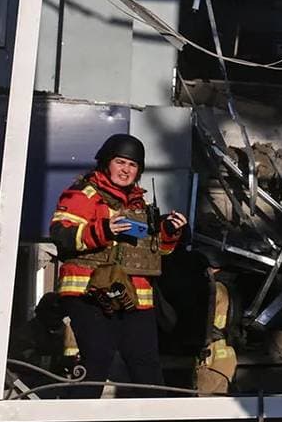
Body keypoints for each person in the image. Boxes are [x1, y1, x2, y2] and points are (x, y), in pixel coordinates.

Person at [49, 134, 186, 395]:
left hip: (136, 299)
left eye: (132, 165)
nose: (126, 170)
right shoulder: (83, 195)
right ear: (106, 162)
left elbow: (158, 253)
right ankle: (75, 418)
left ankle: (154, 418)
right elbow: (61, 234)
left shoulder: (141, 205)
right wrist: (103, 229)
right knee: (96, 360)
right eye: (120, 162)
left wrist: (169, 232)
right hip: (90, 294)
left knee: (146, 366)